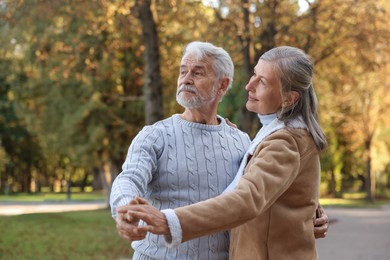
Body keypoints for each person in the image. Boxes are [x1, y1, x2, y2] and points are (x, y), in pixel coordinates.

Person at [118, 46, 328, 260]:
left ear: (222, 85)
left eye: (197, 73)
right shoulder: (156, 135)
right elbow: (128, 179)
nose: (249, 85)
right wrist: (126, 208)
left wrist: (168, 222)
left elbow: (250, 197)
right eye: (183, 71)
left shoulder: (254, 141)